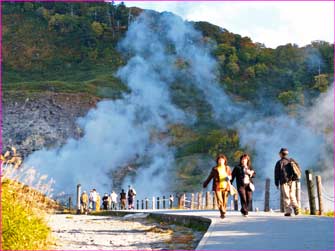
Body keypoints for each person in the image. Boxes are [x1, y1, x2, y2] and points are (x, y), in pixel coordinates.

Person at [203, 154, 232, 219]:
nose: (221, 161)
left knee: (225, 201)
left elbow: (230, 176)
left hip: (226, 186)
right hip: (217, 186)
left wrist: (229, 177)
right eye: (219, 160)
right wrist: (205, 183)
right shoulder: (215, 169)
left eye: (222, 160)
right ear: (217, 161)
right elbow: (210, 177)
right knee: (219, 200)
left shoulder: (227, 168)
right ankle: (222, 211)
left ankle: (222, 213)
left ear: (225, 161)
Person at [274, 148, 300, 216]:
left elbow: (277, 174)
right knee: (292, 195)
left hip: (284, 181)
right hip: (292, 180)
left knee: (286, 196)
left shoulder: (279, 162)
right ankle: (295, 206)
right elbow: (297, 169)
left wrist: (276, 183)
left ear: (280, 154)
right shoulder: (291, 160)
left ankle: (288, 211)